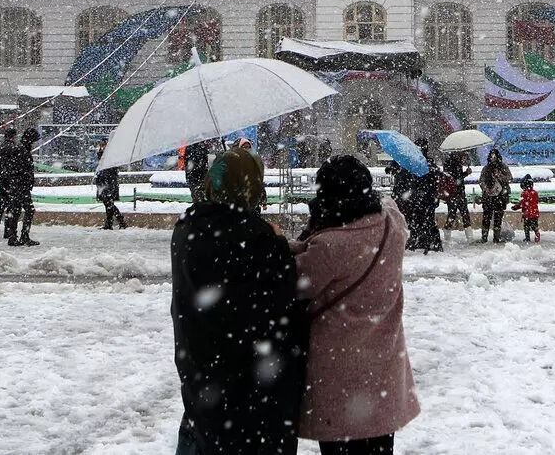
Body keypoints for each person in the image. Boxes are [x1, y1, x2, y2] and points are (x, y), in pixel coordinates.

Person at [171, 147, 305, 455]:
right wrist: (276, 242)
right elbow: (283, 304)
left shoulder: (186, 228)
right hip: (253, 394)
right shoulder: (258, 240)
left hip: (201, 375)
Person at [288, 155, 420, 454]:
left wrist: (285, 242)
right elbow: (387, 204)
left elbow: (296, 282)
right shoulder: (391, 223)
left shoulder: (328, 246)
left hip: (340, 381)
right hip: (382, 371)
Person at [404, 139, 442, 253]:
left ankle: (424, 241)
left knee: (422, 219)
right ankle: (425, 241)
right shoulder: (424, 162)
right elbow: (434, 178)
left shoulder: (419, 162)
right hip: (424, 197)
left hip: (424, 197)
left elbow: (431, 179)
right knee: (424, 219)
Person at [5, 128, 40, 247]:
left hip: (18, 185)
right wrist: (25, 178)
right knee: (28, 210)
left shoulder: (21, 148)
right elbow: (19, 168)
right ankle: (23, 236)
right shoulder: (22, 150)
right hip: (20, 185)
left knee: (16, 210)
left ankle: (14, 236)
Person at [0, 128, 18, 239]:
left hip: (2, 180)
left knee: (1, 205)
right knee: (10, 206)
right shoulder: (16, 149)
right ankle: (7, 231)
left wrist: (0, 169)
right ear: (13, 137)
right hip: (12, 180)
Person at [479, 148, 512, 243]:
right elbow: (481, 181)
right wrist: (486, 189)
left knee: (498, 218)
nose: (493, 158)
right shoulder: (486, 168)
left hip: (500, 197)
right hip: (488, 197)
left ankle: (496, 238)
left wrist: (500, 176)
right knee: (486, 218)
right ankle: (484, 237)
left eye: (495, 156)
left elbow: (510, 178)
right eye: (491, 156)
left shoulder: (503, 167)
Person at [440, 150, 473, 240]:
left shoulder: (450, 163)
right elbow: (455, 179)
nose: (463, 158)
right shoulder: (454, 164)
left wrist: (464, 173)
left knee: (453, 214)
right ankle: (469, 238)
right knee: (462, 214)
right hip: (456, 193)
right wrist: (466, 173)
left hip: (453, 194)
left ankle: (447, 235)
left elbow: (455, 178)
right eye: (462, 155)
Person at [94, 141, 125, 230]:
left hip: (109, 182)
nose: (102, 146)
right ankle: (115, 221)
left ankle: (115, 222)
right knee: (108, 203)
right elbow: (101, 164)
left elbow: (111, 169)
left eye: (104, 145)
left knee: (108, 203)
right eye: (101, 145)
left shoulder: (111, 155)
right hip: (104, 182)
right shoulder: (104, 154)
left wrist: (105, 178)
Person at [511, 174, 541, 243]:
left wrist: (515, 207)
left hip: (527, 214)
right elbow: (535, 202)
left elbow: (522, 203)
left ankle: (527, 238)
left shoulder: (524, 193)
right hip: (534, 213)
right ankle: (537, 233)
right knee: (534, 225)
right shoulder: (535, 193)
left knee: (526, 226)